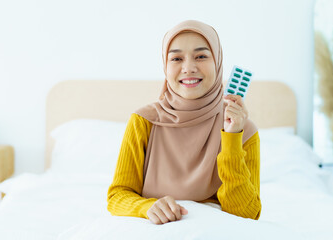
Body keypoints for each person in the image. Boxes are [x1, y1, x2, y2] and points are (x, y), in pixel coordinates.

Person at [107, 19, 261, 225]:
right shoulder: (143, 122)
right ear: (165, 66)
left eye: (201, 56)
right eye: (177, 58)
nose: (188, 68)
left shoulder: (244, 130)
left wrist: (232, 139)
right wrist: (147, 207)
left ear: (217, 62)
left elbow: (246, 215)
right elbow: (118, 196)